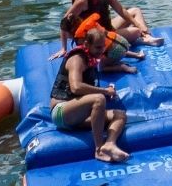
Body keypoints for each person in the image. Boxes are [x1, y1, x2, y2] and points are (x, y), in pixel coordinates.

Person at [49, 26, 130, 163]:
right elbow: (76, 87)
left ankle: (109, 144)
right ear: (87, 44)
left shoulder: (91, 58)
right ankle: (99, 150)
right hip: (61, 112)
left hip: (78, 115)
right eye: (98, 47)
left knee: (120, 115)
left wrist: (106, 90)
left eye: (103, 47)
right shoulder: (77, 59)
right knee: (99, 98)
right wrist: (104, 91)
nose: (101, 51)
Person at [59, 8, 144, 72]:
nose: (65, 35)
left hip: (116, 51)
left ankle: (122, 68)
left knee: (101, 68)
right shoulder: (89, 25)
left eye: (65, 33)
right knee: (112, 47)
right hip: (122, 41)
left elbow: (88, 53)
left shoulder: (81, 38)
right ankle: (137, 55)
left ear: (70, 31)